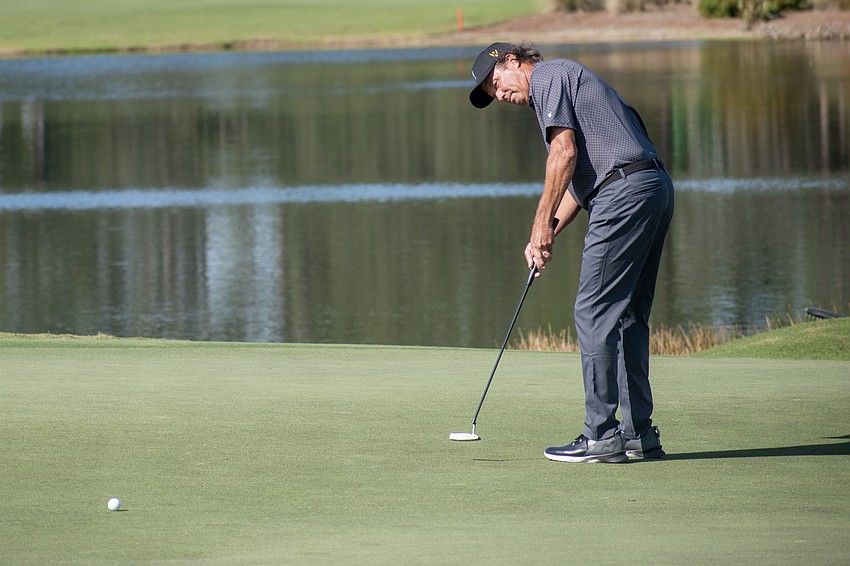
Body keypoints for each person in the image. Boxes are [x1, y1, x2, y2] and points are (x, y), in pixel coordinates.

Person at [469, 42, 673, 463]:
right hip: (651, 188)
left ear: (512, 61)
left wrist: (539, 222)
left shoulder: (548, 77)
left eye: (497, 84)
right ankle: (636, 435)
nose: (501, 95)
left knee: (593, 311)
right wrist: (547, 233)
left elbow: (563, 154)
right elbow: (582, 184)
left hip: (623, 195)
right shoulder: (568, 79)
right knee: (628, 314)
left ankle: (600, 433)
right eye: (493, 94)